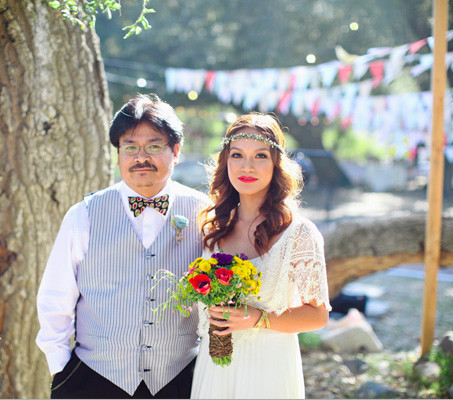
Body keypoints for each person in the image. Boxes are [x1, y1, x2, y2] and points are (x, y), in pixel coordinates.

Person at [36, 94, 211, 399]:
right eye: (130, 147)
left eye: (153, 146)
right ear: (118, 155)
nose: (141, 157)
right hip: (94, 376)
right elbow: (56, 297)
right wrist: (60, 368)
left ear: (175, 151)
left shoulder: (204, 212)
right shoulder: (84, 214)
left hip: (181, 377)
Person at [191, 113, 332, 399]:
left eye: (260, 156)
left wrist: (258, 318)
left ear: (276, 163)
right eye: (237, 155)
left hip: (269, 369)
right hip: (214, 366)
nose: (247, 167)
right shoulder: (212, 227)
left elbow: (318, 317)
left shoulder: (298, 233)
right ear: (225, 161)